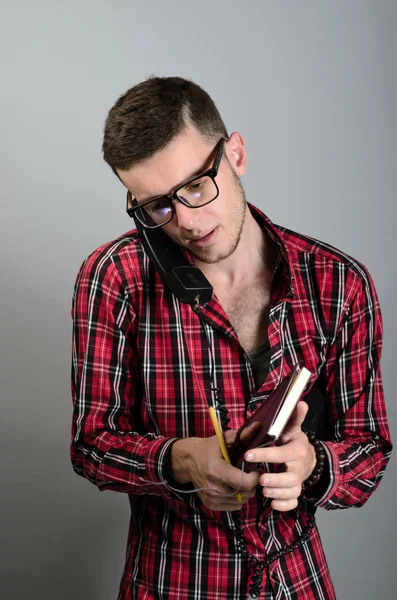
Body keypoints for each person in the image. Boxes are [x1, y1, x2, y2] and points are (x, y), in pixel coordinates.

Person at [70, 76, 392, 600]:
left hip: (297, 582)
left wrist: (314, 465)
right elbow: (91, 445)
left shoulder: (339, 282)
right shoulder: (114, 277)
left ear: (235, 153)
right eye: (159, 207)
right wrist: (181, 459)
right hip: (170, 581)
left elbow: (370, 450)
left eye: (197, 185)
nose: (189, 222)